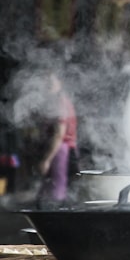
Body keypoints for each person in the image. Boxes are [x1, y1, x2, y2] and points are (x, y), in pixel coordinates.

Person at [36, 72, 78, 203]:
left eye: (51, 82)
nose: (47, 86)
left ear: (60, 83)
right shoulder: (58, 101)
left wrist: (47, 160)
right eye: (45, 82)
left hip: (60, 151)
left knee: (57, 193)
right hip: (60, 149)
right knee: (52, 191)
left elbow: (59, 134)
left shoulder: (60, 103)